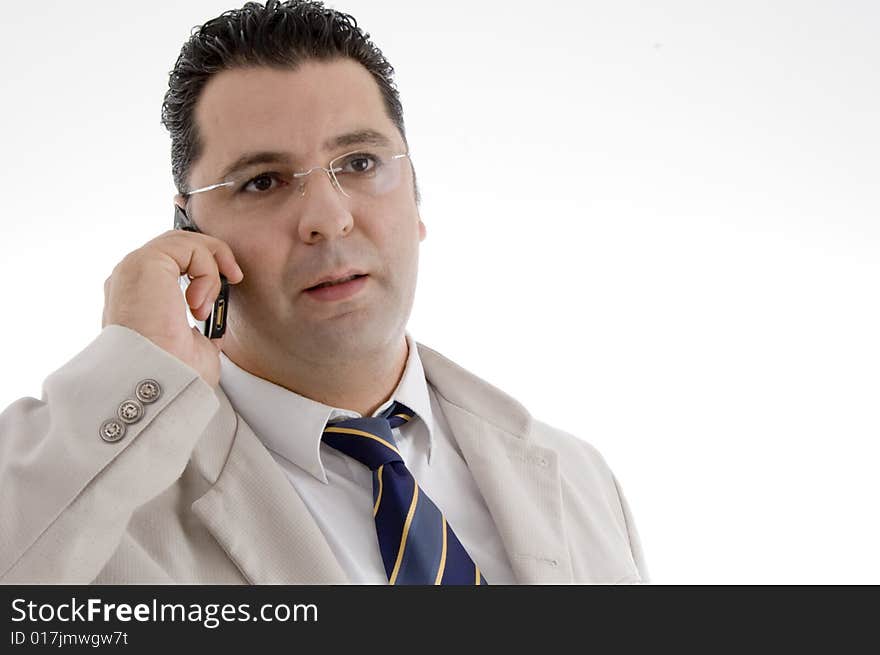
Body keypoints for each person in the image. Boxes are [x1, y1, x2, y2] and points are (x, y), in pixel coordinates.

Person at [0, 0, 647, 584]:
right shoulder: (99, 503)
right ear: (189, 232)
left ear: (416, 196)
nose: (328, 218)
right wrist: (129, 369)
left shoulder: (579, 478)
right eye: (262, 181)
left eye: (360, 163)